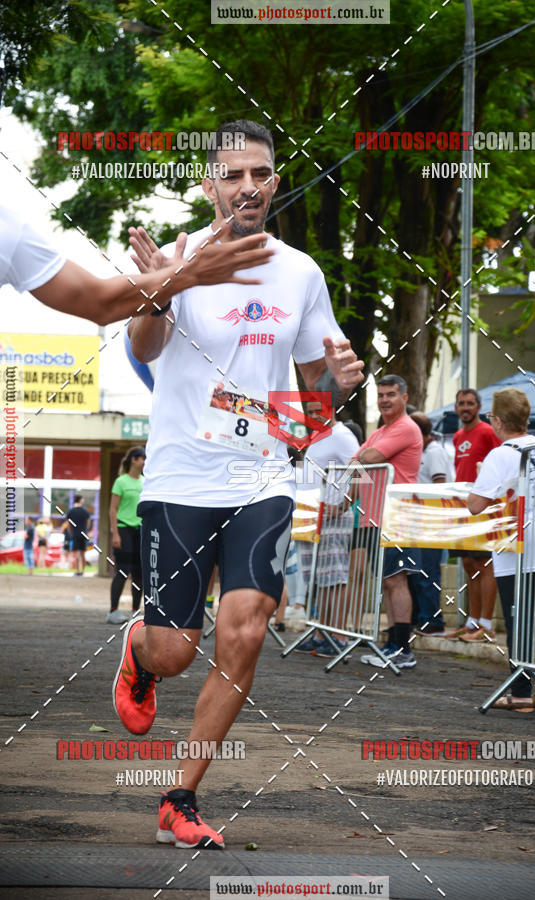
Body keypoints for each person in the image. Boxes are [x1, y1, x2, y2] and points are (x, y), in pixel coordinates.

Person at [112, 119, 364, 851]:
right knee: (176, 652)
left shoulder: (301, 273)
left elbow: (317, 398)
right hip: (182, 474)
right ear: (209, 184)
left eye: (260, 174)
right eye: (233, 175)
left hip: (264, 476)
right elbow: (144, 347)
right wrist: (163, 286)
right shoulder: (180, 256)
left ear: (275, 183)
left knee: (247, 628)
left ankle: (179, 797)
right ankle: (141, 652)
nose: (248, 186)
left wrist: (338, 387)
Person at [0, 203, 274, 325]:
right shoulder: (7, 227)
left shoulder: (7, 228)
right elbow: (101, 304)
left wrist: (181, 276)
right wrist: (188, 274)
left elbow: (98, 302)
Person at [467, 388, 535, 710]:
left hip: (518, 543)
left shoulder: (500, 454)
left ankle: (521, 693)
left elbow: (474, 505)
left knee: (518, 618)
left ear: (497, 420)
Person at [353, 375, 423, 670]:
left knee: (397, 580)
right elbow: (357, 456)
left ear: (404, 398)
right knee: (387, 582)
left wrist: (360, 458)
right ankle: (393, 644)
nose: (384, 400)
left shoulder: (406, 428)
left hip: (396, 516)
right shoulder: (381, 429)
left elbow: (369, 456)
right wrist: (359, 458)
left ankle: (403, 648)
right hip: (374, 517)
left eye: (390, 394)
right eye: (380, 395)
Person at [294, 401, 360, 657]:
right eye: (309, 412)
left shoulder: (342, 435)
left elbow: (359, 469)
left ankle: (339, 635)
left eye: (317, 411)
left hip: (333, 516)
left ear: (331, 410)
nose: (313, 416)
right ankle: (321, 631)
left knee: (336, 577)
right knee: (319, 579)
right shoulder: (318, 437)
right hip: (312, 516)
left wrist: (345, 505)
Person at [449, 388, 501, 642]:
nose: (465, 407)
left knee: (485, 564)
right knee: (468, 564)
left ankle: (487, 625)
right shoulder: (458, 436)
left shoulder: (489, 432)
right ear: (457, 407)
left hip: (484, 507)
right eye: (461, 403)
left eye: (470, 403)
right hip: (463, 507)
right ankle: (472, 622)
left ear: (479, 407)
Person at [409, 412, 453, 634]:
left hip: (432, 522)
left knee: (428, 573)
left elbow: (440, 485)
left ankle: (433, 621)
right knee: (419, 573)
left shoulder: (434, 452)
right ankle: (421, 617)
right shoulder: (424, 450)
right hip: (419, 522)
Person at [107, 447, 146, 624]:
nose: (144, 462)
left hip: (140, 531)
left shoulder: (145, 482)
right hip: (123, 529)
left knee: (139, 575)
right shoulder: (121, 482)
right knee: (122, 572)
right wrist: (115, 533)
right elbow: (112, 509)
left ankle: (135, 611)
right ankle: (113, 611)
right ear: (133, 460)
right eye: (141, 458)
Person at [64, 495, 91, 577]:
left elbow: (68, 524)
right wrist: (86, 531)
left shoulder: (70, 511)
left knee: (75, 554)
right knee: (82, 554)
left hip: (74, 535)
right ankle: (82, 571)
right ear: (81, 500)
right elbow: (88, 523)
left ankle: (76, 571)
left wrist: (71, 532)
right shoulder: (85, 511)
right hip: (83, 535)